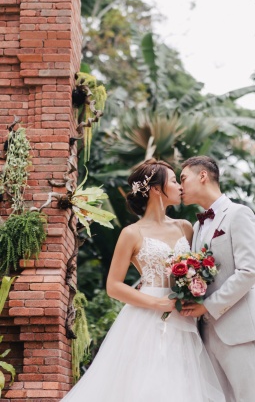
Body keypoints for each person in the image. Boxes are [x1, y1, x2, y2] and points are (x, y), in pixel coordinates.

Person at [61, 158, 225, 402]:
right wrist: (158, 304)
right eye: (173, 181)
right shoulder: (131, 233)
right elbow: (113, 286)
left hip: (183, 317)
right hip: (144, 318)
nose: (180, 187)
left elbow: (199, 267)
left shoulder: (185, 228)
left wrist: (192, 289)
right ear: (157, 189)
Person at [180, 156, 255, 402]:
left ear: (203, 176)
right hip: (205, 334)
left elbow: (249, 271)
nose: (180, 187)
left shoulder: (239, 214)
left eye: (183, 179)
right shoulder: (197, 228)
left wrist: (207, 306)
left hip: (239, 331)